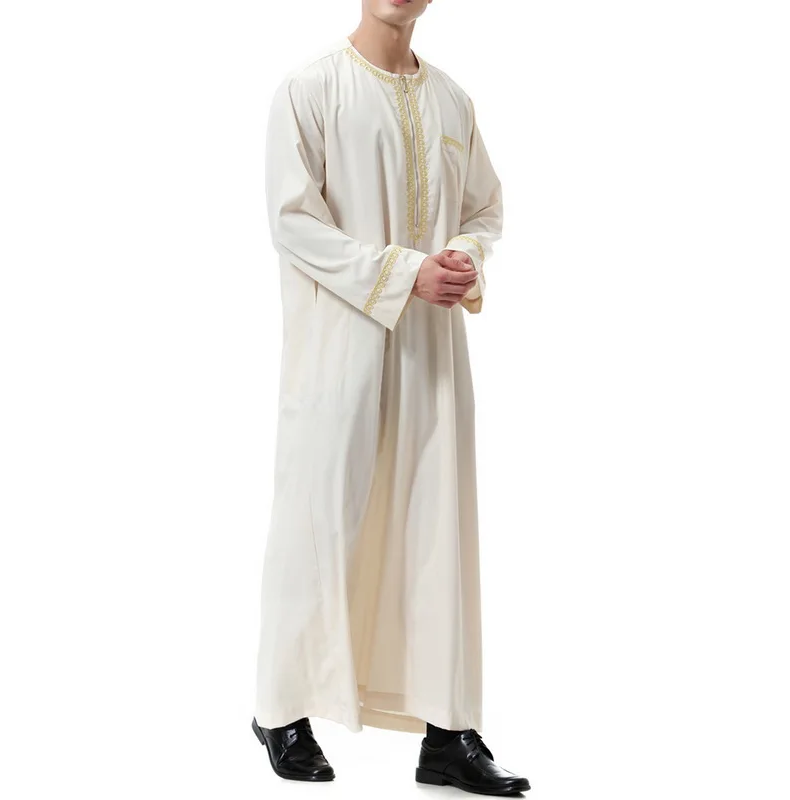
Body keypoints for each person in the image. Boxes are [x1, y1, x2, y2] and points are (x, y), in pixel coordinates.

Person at [252, 0, 530, 794]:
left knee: (437, 531)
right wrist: (407, 271)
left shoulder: (451, 99)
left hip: (432, 356)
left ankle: (449, 733)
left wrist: (464, 254)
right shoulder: (310, 90)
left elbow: (484, 207)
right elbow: (293, 222)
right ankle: (281, 709)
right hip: (339, 352)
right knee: (320, 523)